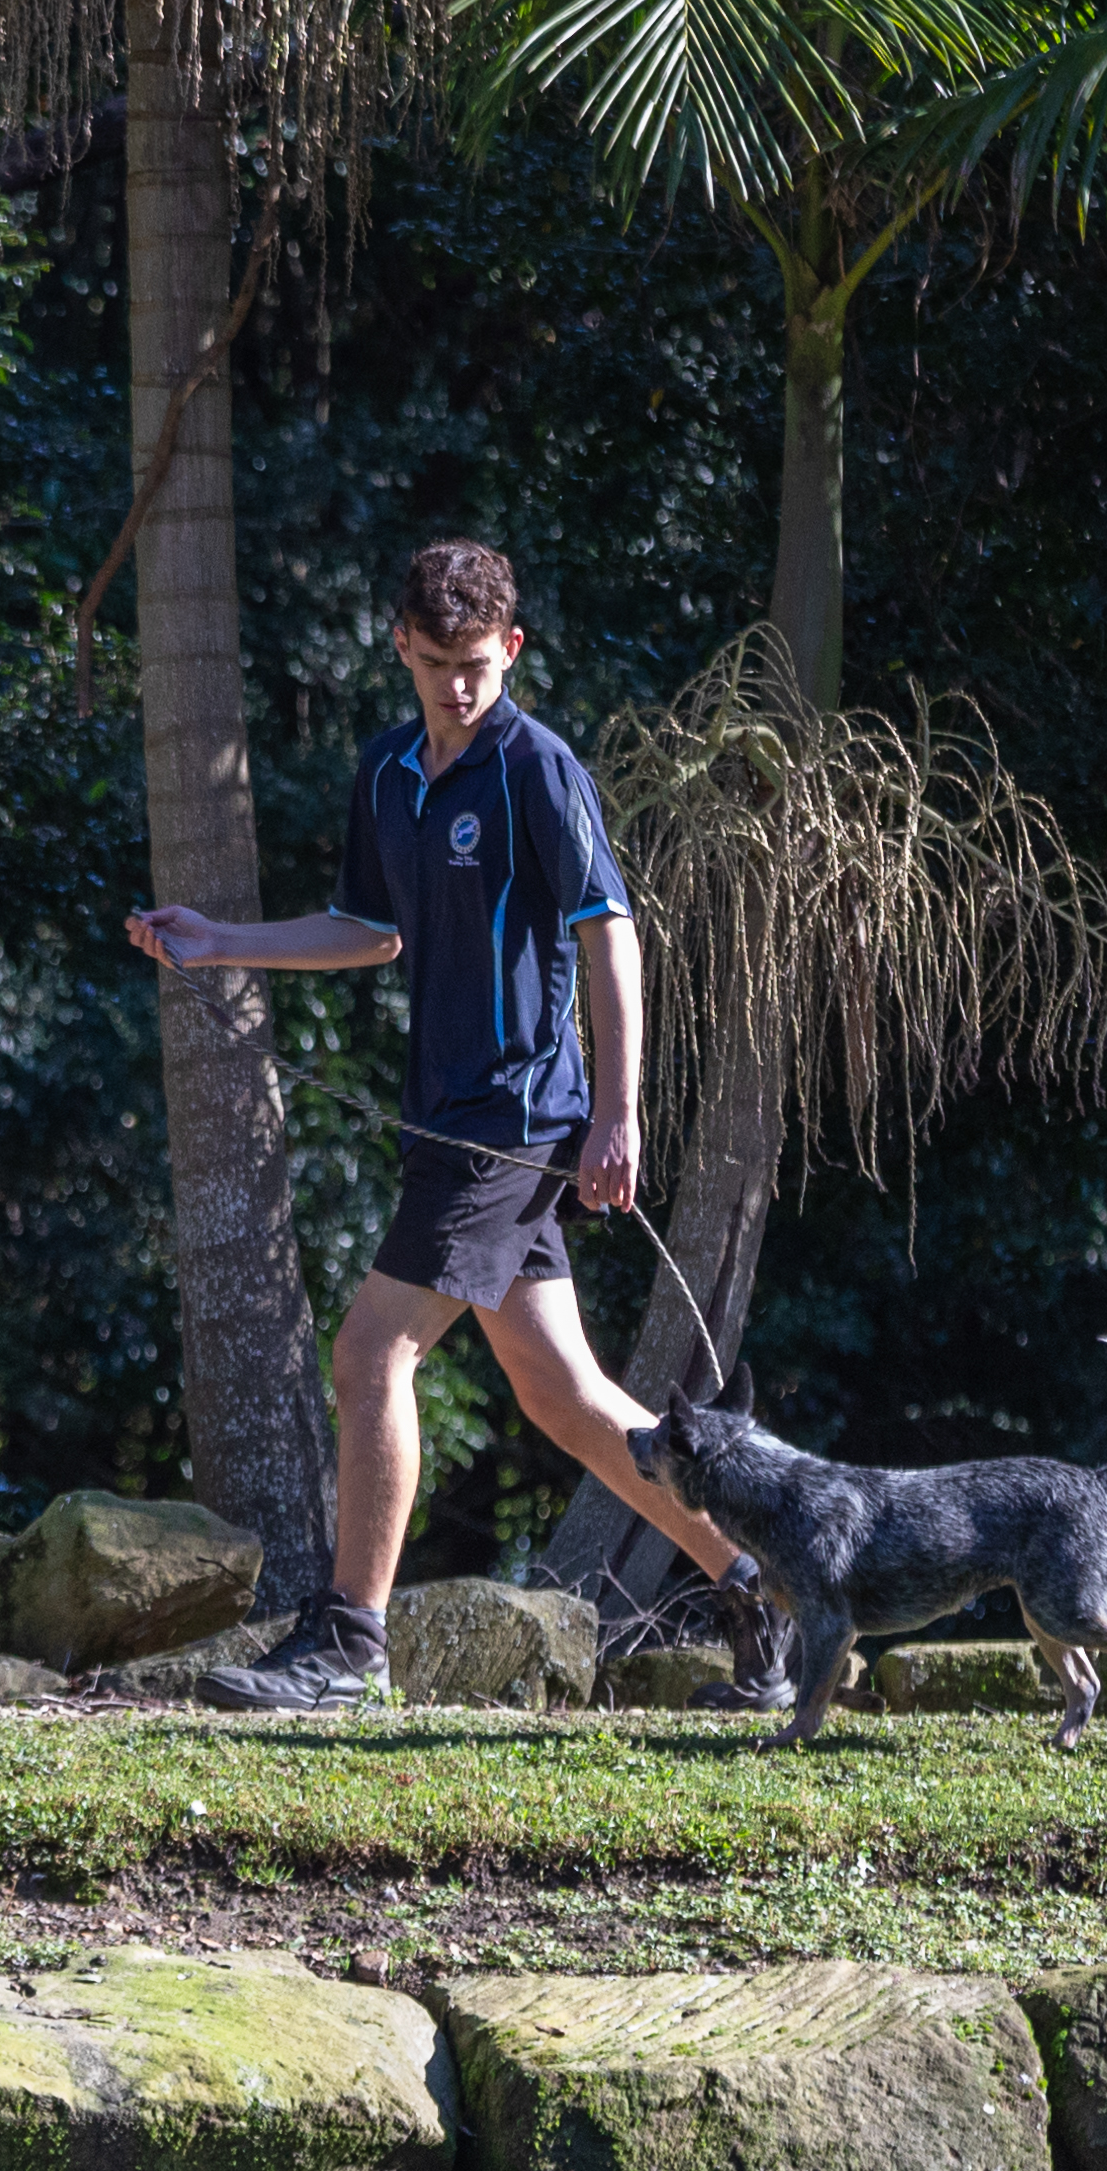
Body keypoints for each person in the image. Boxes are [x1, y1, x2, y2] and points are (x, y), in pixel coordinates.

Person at [122, 540, 746, 1711]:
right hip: (442, 1118)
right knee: (562, 1393)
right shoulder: (389, 772)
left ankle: (348, 1641)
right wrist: (220, 940)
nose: (459, 685)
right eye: (436, 662)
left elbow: (609, 930)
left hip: (513, 1118)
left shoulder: (536, 767)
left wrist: (619, 1114)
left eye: (478, 663)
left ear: (509, 649)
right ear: (400, 646)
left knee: (370, 1353)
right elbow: (369, 928)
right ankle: (760, 1583)